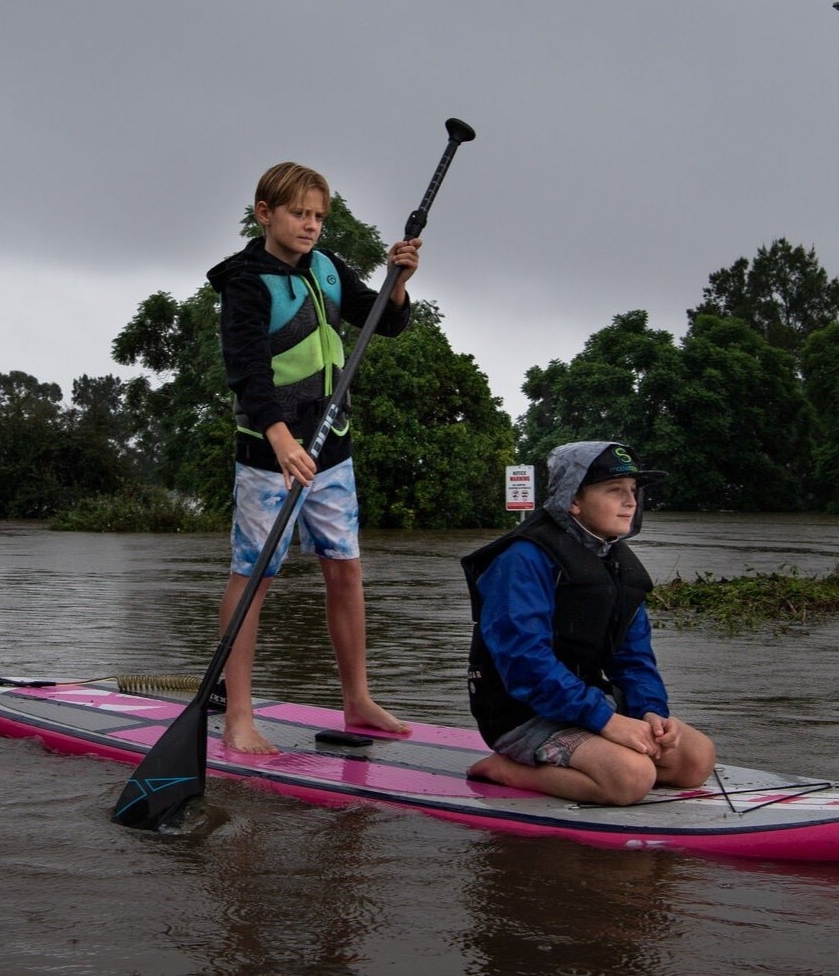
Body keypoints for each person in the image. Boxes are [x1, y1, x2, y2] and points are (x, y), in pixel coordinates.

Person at [204, 161, 420, 754]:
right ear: (265, 213)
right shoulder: (246, 281)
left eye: (319, 216)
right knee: (253, 577)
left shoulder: (326, 269)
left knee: (345, 568)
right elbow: (246, 371)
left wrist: (397, 282)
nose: (311, 225)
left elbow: (386, 321)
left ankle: (357, 698)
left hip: (332, 450)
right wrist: (279, 438)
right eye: (300, 213)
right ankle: (239, 716)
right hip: (269, 454)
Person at [461, 440, 717, 804]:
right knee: (632, 778)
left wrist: (651, 712)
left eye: (633, 491)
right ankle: (506, 770)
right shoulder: (521, 560)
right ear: (573, 501)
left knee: (696, 759)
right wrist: (608, 722)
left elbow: (634, 657)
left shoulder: (615, 564)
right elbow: (525, 663)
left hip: (586, 702)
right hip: (520, 714)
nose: (631, 501)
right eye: (615, 491)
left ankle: (597, 761)